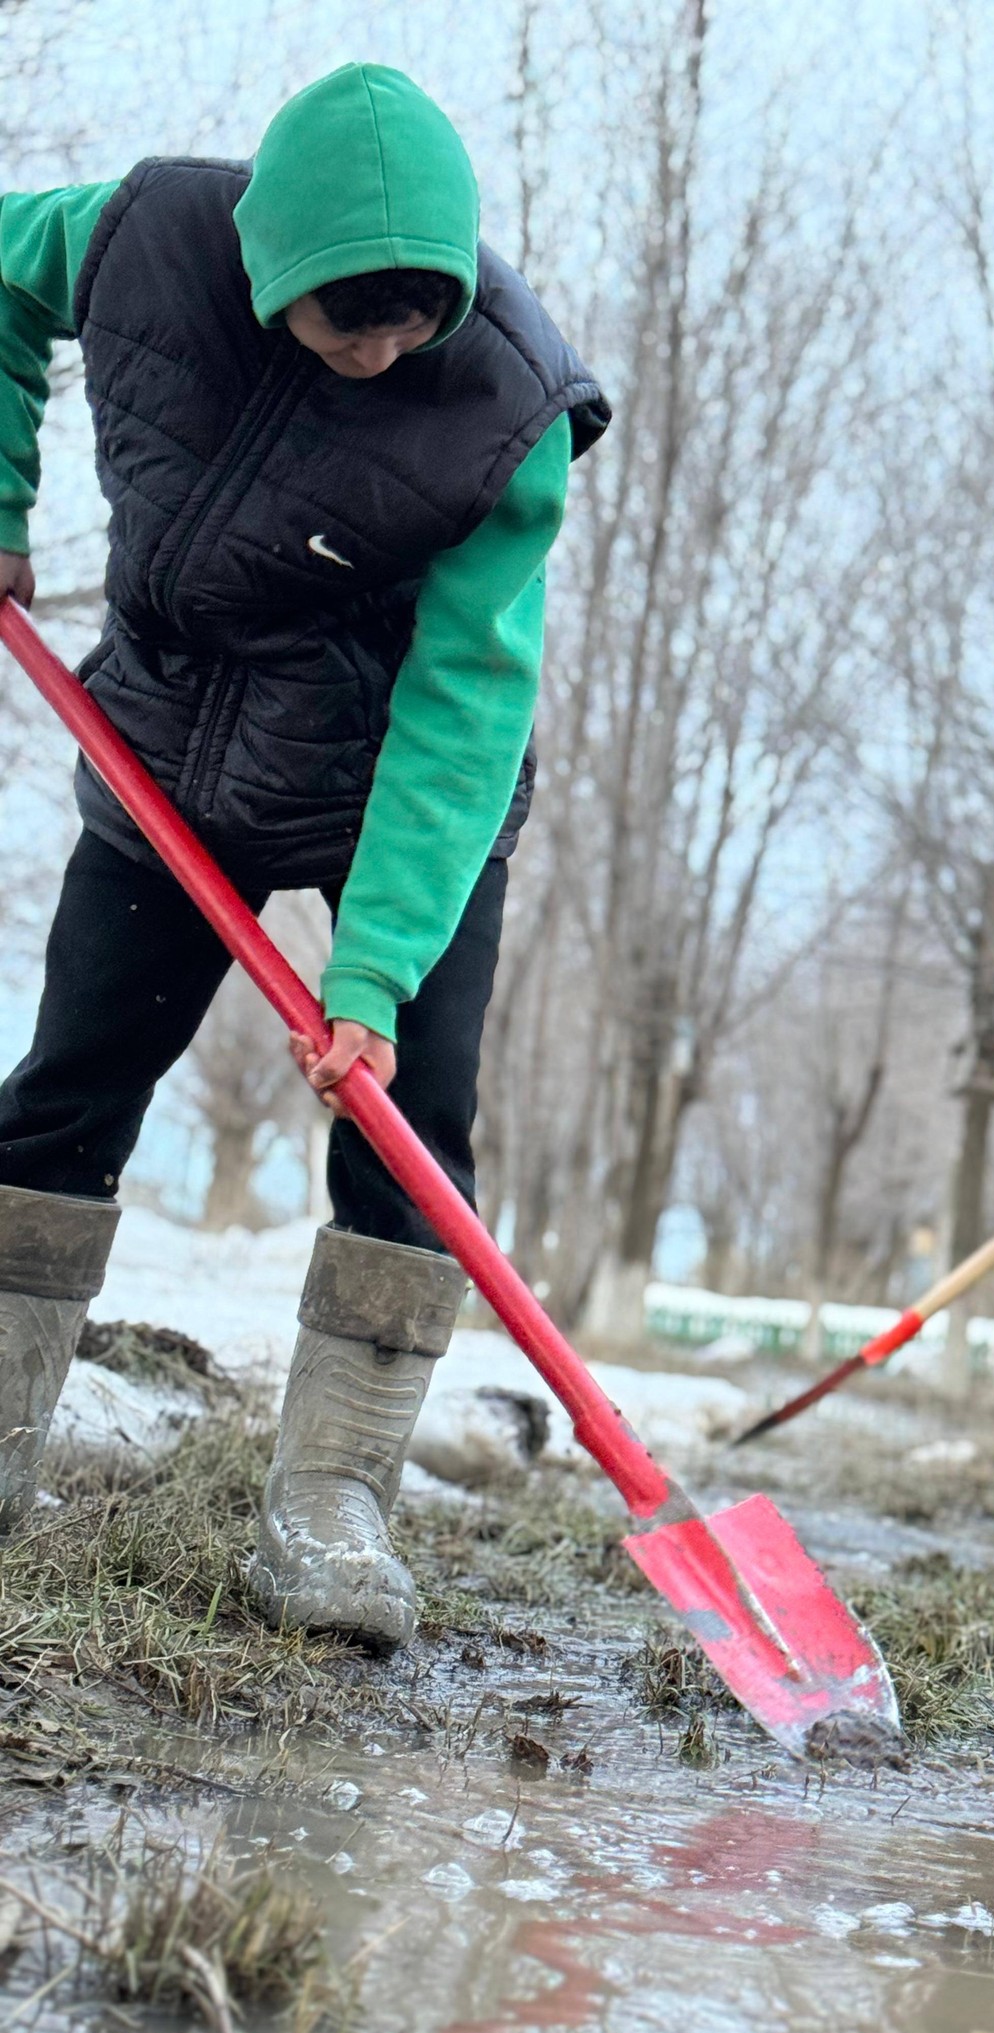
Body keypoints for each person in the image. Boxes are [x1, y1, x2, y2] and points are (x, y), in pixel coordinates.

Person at [0, 64, 609, 1646]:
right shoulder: (142, 235)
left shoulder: (509, 412)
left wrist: (376, 971)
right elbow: (2, 272)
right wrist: (0, 494)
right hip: (168, 752)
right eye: (352, 321)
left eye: (416, 324)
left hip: (398, 783)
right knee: (66, 1092)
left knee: (413, 1134)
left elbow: (468, 708)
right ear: (274, 263)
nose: (385, 352)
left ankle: (331, 1503)